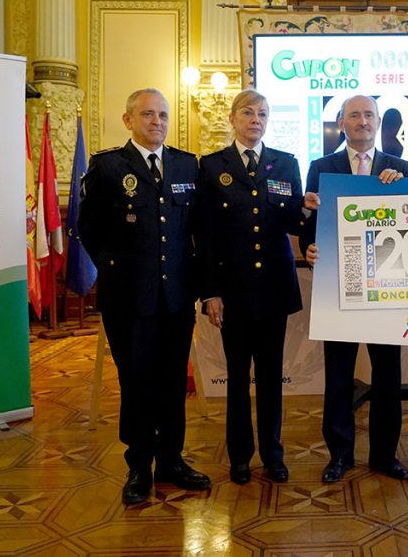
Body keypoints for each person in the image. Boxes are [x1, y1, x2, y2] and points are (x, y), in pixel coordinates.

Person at [78, 88, 211, 504]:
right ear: (128, 119)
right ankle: (139, 466)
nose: (157, 122)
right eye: (148, 114)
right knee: (136, 382)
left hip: (175, 298)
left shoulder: (186, 165)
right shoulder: (108, 167)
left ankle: (172, 459)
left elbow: (196, 230)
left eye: (163, 115)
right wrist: (121, 267)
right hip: (129, 299)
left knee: (172, 382)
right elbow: (89, 229)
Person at [198, 89, 318, 485]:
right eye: (247, 113)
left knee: (270, 377)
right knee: (236, 377)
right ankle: (239, 457)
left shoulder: (286, 164)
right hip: (232, 291)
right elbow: (207, 235)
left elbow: (292, 225)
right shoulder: (213, 166)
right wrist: (210, 292)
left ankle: (273, 453)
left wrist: (307, 209)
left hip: (273, 289)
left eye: (263, 114)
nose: (255, 120)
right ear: (232, 119)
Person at [299, 95, 408, 483]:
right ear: (341, 123)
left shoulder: (399, 167)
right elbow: (309, 224)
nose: (362, 121)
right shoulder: (321, 167)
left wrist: (402, 189)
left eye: (369, 115)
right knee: (338, 375)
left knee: (387, 376)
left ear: (379, 122)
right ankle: (340, 455)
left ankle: (384, 455)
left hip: (388, 289)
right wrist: (308, 247)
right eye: (354, 115)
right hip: (339, 288)